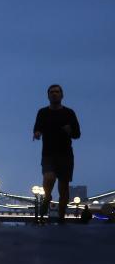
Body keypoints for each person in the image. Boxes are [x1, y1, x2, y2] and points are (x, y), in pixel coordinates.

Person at [33, 84, 81, 223]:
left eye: (57, 92)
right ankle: (47, 197)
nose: (54, 94)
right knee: (49, 178)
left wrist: (70, 131)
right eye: (52, 92)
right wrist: (37, 133)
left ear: (62, 95)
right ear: (48, 96)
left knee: (63, 188)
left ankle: (61, 216)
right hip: (48, 153)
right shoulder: (42, 112)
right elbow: (37, 128)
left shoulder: (69, 113)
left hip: (65, 154)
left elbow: (77, 134)